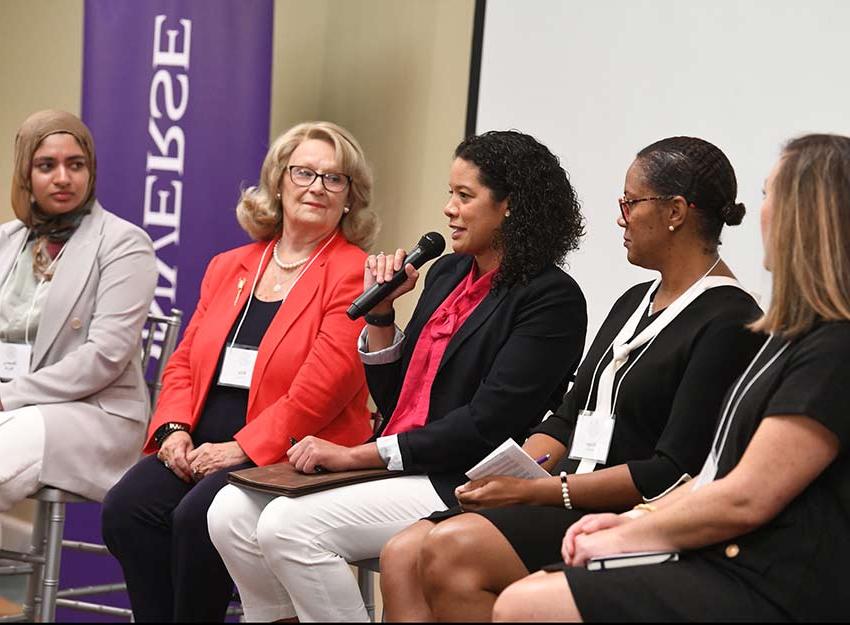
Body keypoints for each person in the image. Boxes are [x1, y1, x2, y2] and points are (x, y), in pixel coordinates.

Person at [379, 136, 767, 621]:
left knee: (451, 549)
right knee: (402, 552)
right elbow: (567, 419)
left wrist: (537, 490)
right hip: (563, 493)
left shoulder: (729, 320)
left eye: (630, 202)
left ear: (675, 212)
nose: (620, 216)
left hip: (629, 514)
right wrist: (512, 470)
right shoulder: (632, 302)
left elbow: (669, 471)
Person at [207, 130, 588, 622]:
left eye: (464, 196)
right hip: (395, 461)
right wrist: (382, 316)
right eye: (450, 193)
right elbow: (397, 397)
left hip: (458, 475)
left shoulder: (551, 298)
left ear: (509, 206)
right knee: (229, 513)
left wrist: (354, 455)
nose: (449, 209)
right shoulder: (448, 272)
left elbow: (486, 424)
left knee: (288, 526)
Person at [493, 133, 850, 622]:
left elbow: (746, 496)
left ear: (809, 215)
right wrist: (641, 517)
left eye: (770, 194)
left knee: (523, 605)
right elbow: (713, 474)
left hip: (773, 582)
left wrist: (626, 534)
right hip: (732, 559)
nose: (758, 212)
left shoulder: (834, 348)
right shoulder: (798, 336)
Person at [100, 121, 378, 622]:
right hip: (202, 441)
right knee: (127, 508)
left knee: (198, 517)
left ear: (349, 198)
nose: (317, 187)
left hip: (292, 450)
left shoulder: (353, 272)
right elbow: (185, 360)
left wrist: (243, 448)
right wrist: (173, 429)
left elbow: (323, 389)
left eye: (334, 179)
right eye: (304, 173)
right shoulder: (231, 264)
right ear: (278, 180)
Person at [0, 110, 156, 525]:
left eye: (76, 164)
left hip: (92, 415)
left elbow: (105, 356)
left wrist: (8, 396)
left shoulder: (124, 244)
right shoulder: (6, 240)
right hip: (14, 411)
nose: (63, 178)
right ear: (25, 174)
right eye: (46, 166)